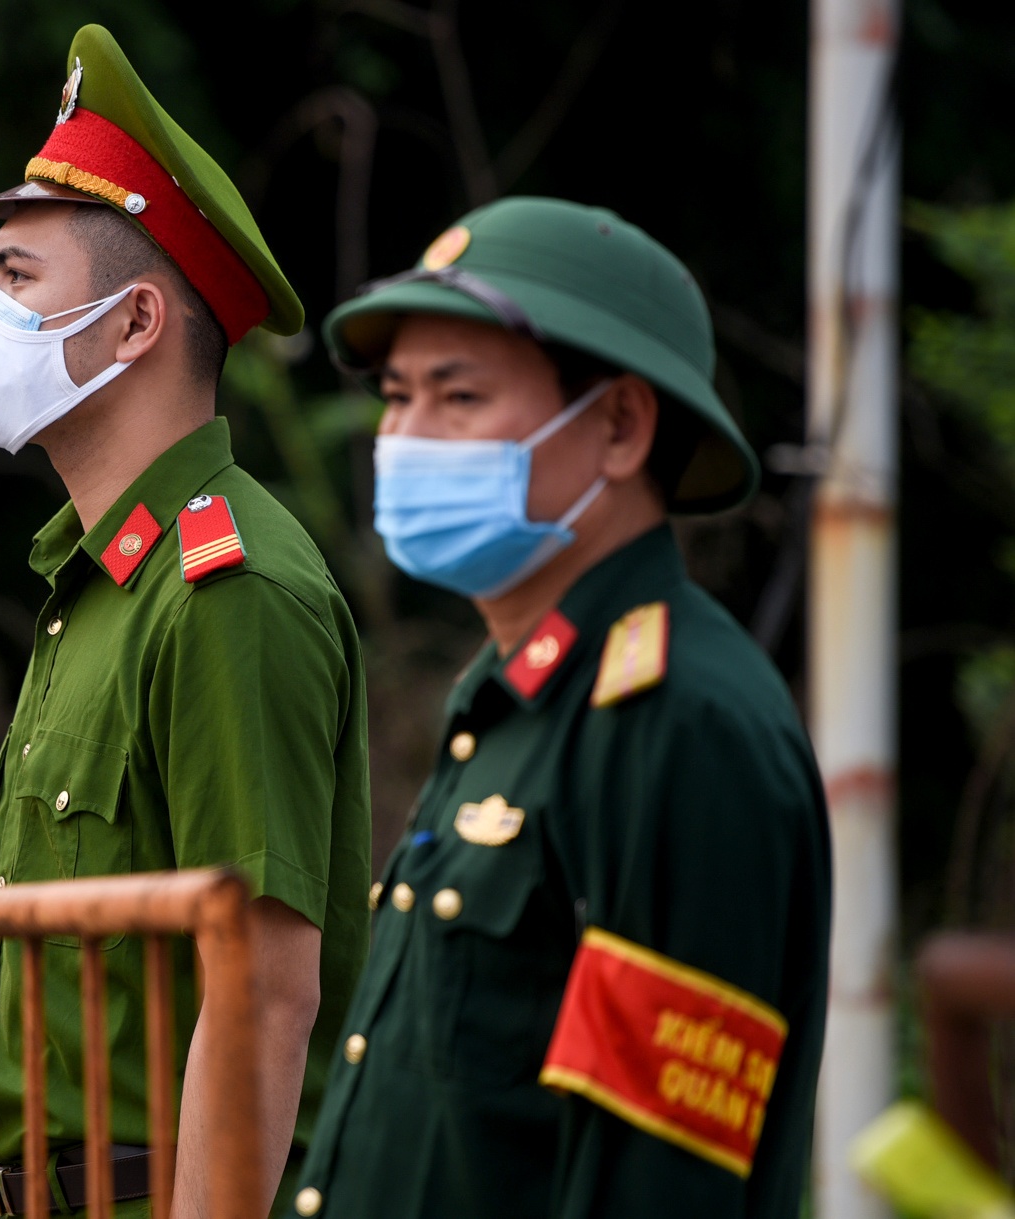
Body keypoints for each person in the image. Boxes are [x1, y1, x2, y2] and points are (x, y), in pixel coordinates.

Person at [286, 197, 831, 1218]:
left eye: (457, 396)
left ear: (619, 427)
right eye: (396, 396)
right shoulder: (515, 694)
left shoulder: (675, 719)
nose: (403, 438)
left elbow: (655, 1182)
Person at [0, 23, 371, 1219]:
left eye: (16, 278)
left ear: (134, 325)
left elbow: (264, 993)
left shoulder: (226, 589)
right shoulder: (97, 586)